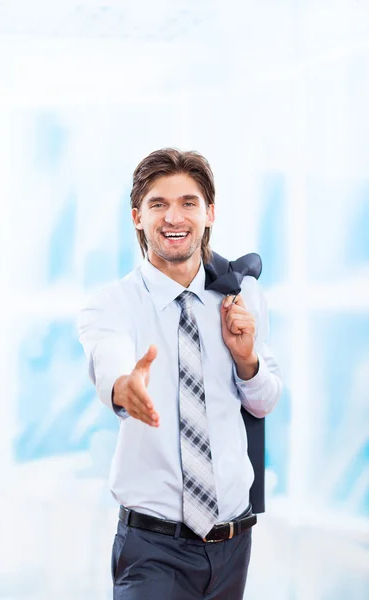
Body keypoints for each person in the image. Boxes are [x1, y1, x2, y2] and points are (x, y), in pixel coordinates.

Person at [77, 148, 282, 599]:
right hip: (153, 549)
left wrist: (246, 359)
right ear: (137, 217)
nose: (175, 217)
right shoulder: (112, 305)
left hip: (233, 544)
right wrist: (123, 387)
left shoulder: (241, 296)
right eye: (158, 204)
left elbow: (264, 401)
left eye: (188, 202)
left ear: (209, 212)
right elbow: (109, 358)